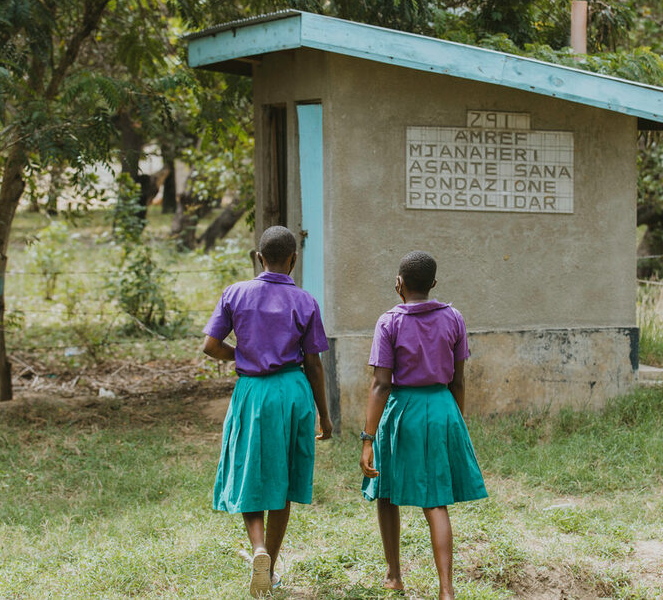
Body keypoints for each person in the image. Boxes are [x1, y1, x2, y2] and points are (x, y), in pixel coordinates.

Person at [203, 225, 333, 597]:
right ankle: (271, 567)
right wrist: (324, 416)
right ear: (293, 259)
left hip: (253, 393)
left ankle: (257, 547)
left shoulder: (236, 293)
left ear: (259, 258)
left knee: (251, 471)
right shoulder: (305, 301)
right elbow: (315, 363)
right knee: (285, 478)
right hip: (293, 391)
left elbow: (211, 345)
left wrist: (241, 355)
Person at [359, 251, 487, 600]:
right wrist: (455, 422)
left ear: (398, 283)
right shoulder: (454, 318)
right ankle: (446, 590)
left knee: (386, 493)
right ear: (433, 284)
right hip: (442, 407)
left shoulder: (389, 321)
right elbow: (458, 380)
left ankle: (394, 575)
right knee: (435, 501)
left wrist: (368, 437)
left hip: (402, 411)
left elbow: (381, 384)